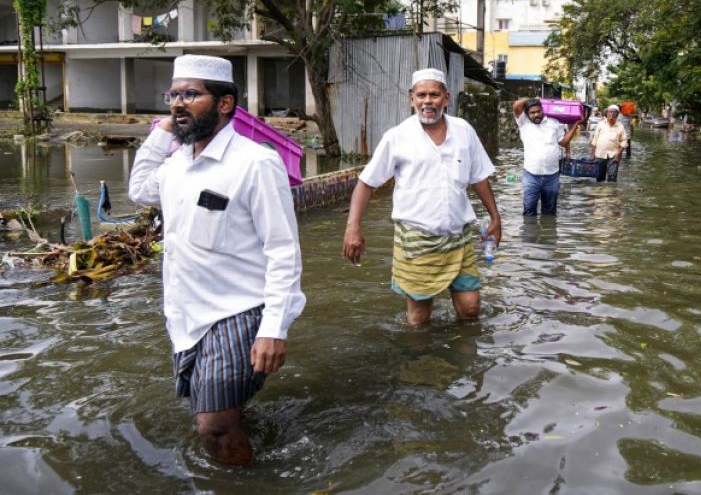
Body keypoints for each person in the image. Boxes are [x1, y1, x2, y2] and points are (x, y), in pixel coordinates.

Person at [128, 54, 305, 466]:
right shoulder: (175, 164)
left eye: (191, 94)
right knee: (222, 413)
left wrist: (274, 328)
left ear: (225, 103)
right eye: (173, 95)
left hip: (239, 311)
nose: (177, 103)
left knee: (212, 427)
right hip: (186, 314)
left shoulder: (255, 163)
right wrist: (167, 128)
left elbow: (283, 250)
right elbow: (139, 188)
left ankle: (247, 486)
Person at [342, 68, 501, 326]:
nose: (428, 101)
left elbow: (479, 177)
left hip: (458, 238)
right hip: (417, 240)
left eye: (434, 95)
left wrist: (496, 217)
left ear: (446, 99)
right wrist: (353, 227)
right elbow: (366, 183)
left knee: (471, 309)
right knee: (419, 319)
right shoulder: (397, 137)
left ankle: (461, 359)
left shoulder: (464, 131)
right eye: (422, 95)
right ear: (412, 99)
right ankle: (422, 364)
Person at [512, 97, 580, 216]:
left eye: (538, 111)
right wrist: (533, 98)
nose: (536, 114)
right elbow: (516, 106)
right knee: (529, 210)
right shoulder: (523, 123)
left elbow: (563, 142)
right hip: (531, 175)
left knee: (550, 212)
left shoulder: (554, 122)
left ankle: (548, 234)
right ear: (527, 114)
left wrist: (575, 125)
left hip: (552, 176)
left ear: (543, 110)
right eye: (532, 113)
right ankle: (530, 234)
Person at [590, 104, 628, 182]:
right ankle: (600, 193)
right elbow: (595, 140)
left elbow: (624, 141)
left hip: (613, 156)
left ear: (617, 115)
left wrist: (618, 154)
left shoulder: (620, 126)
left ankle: (611, 193)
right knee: (599, 178)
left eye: (615, 112)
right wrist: (592, 155)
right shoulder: (601, 124)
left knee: (612, 179)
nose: (612, 114)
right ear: (606, 113)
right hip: (599, 155)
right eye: (610, 112)